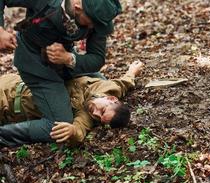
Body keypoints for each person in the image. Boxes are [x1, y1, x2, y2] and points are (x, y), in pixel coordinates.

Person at [0, 0, 122, 146]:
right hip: (35, 64)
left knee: (99, 82)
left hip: (64, 60)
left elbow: (97, 59)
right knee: (58, 126)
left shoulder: (98, 18)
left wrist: (69, 58)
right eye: (91, 22)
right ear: (77, 7)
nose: (93, 27)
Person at [0, 61, 144, 147]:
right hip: (11, 82)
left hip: (6, 106)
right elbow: (124, 83)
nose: (95, 114)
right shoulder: (109, 87)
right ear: (111, 99)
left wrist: (72, 131)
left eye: (99, 119)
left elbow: (79, 130)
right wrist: (132, 72)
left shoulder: (87, 115)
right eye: (102, 110)